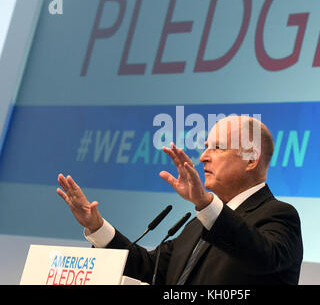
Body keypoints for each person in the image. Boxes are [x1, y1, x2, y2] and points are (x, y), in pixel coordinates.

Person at [57, 116, 303, 285]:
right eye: (206, 147)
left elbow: (261, 256)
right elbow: (148, 268)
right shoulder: (199, 225)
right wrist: (97, 227)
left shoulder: (279, 215)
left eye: (217, 147)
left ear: (251, 160)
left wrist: (206, 204)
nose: (204, 157)